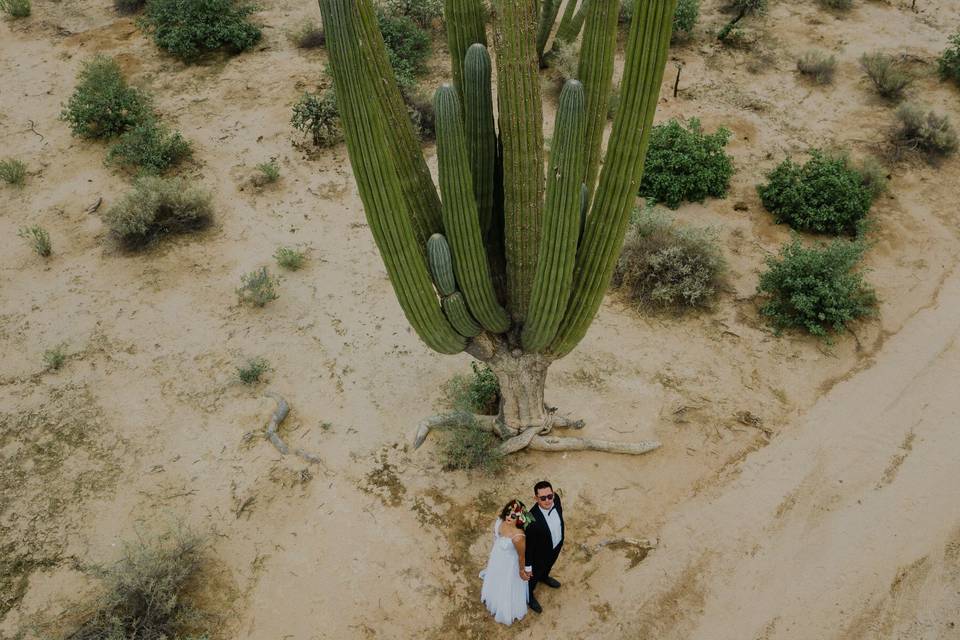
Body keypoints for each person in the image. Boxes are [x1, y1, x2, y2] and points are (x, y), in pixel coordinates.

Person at [479, 499, 531, 625]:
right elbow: (496, 537)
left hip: (509, 564)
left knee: (505, 583)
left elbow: (521, 557)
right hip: (498, 557)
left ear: (520, 519)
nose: (508, 516)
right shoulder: (500, 521)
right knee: (495, 576)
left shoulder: (518, 537)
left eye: (513, 516)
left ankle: (505, 607)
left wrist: (521, 570)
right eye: (507, 513)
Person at [524, 480, 564, 614]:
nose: (548, 500)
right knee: (533, 578)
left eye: (550, 496)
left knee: (549, 565)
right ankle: (529, 595)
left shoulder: (556, 499)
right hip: (539, 555)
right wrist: (528, 566)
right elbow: (528, 546)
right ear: (536, 498)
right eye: (543, 498)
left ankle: (545, 577)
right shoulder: (530, 519)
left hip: (556, 544)